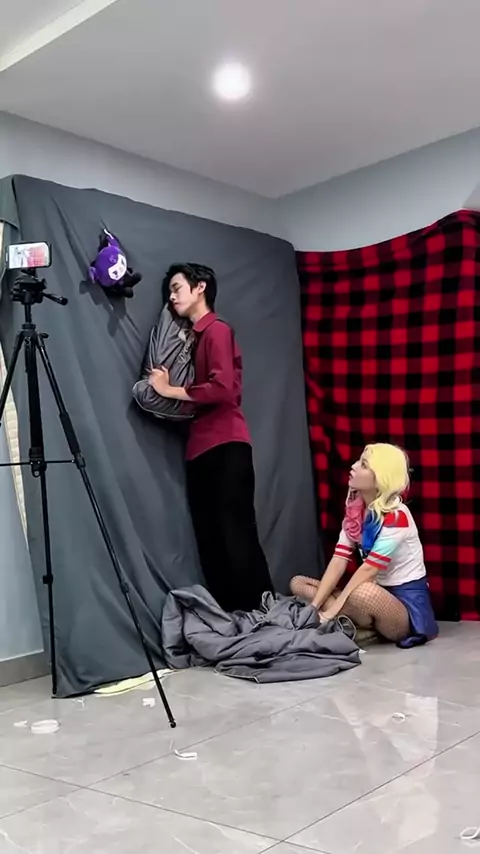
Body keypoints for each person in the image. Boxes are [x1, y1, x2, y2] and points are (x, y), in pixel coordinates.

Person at [148, 262, 273, 612]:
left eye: (177, 288)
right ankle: (234, 618)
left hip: (225, 445)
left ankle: (259, 615)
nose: (172, 297)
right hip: (199, 449)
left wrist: (168, 390)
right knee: (211, 539)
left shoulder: (216, 329)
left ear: (200, 287)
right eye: (170, 292)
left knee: (236, 534)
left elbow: (223, 388)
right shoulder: (191, 338)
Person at [290, 443, 438, 647]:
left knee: (363, 591)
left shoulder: (397, 516)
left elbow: (369, 569)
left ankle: (346, 622)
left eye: (364, 464)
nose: (353, 466)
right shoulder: (356, 510)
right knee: (298, 583)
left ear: (381, 478)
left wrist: (329, 612)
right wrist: (313, 609)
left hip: (404, 609)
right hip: (370, 594)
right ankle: (354, 626)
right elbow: (339, 560)